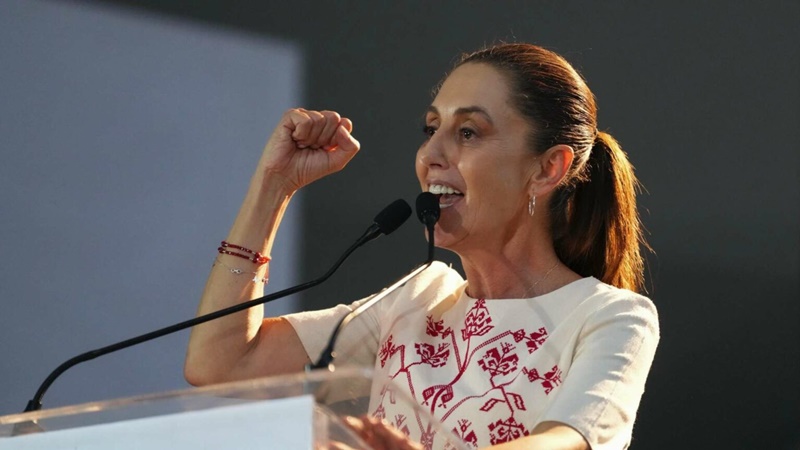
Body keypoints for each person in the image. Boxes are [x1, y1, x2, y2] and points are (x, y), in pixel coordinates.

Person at [184, 43, 659, 450]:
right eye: (431, 129)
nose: (430, 155)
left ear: (547, 168)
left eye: (468, 132)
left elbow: (563, 441)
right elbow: (222, 364)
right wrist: (274, 185)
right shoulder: (417, 299)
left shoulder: (610, 317)